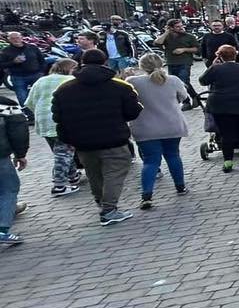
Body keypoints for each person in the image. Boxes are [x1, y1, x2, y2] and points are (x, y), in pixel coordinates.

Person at [51, 49, 143, 225]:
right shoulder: (120, 86)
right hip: (113, 137)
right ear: (105, 61)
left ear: (81, 62)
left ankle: (101, 203)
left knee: (94, 173)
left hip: (83, 141)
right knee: (114, 172)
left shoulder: (64, 89)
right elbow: (132, 111)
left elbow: (57, 116)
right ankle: (109, 210)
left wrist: (68, 137)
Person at [126, 54, 188, 210]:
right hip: (171, 124)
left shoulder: (133, 82)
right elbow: (184, 97)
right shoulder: (173, 80)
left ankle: (147, 196)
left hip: (144, 127)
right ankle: (180, 187)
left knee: (150, 161)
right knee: (173, 155)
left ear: (141, 66)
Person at [24, 58, 80, 195]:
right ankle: (59, 185)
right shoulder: (71, 81)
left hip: (43, 121)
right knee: (63, 153)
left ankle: (72, 176)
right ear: (70, 69)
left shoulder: (41, 80)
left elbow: (29, 102)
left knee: (61, 152)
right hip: (62, 120)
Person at [200, 45, 239, 172]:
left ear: (219, 56)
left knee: (226, 133)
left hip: (220, 103)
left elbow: (202, 81)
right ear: (235, 55)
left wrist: (213, 65)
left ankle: (228, 161)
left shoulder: (215, 69)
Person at [0, 86, 27, 249]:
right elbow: (18, 130)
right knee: (8, 189)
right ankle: (2, 230)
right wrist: (20, 153)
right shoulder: (5, 105)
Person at [158, 18, 202, 107]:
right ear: (171, 28)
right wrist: (166, 32)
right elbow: (157, 42)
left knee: (183, 81)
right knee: (175, 82)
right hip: (171, 62)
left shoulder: (189, 36)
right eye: (177, 27)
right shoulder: (167, 37)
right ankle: (193, 97)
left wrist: (184, 49)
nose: (181, 28)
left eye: (181, 26)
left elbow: (197, 49)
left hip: (185, 61)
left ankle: (186, 102)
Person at [0, 31, 45, 109]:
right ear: (9, 40)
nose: (15, 40)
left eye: (17, 38)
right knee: (22, 97)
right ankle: (28, 115)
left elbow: (42, 60)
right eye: (12, 38)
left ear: (21, 38)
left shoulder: (32, 47)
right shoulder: (6, 51)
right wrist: (14, 62)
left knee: (40, 95)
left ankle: (40, 110)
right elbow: (2, 64)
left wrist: (41, 72)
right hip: (18, 76)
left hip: (35, 75)